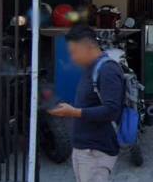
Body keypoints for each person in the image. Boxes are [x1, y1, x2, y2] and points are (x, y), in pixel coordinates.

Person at [48, 25, 125, 182]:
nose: (73, 58)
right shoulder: (92, 68)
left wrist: (74, 112)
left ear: (89, 46)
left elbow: (111, 110)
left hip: (96, 151)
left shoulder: (107, 70)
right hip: (84, 149)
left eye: (74, 51)